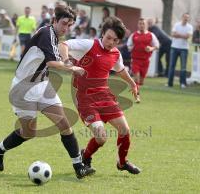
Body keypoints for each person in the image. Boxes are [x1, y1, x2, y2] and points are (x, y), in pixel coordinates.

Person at [0, 5, 95, 179]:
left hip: (42, 86)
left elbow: (59, 54)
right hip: (23, 90)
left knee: (64, 124)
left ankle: (79, 166)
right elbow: (53, 64)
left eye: (69, 25)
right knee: (29, 132)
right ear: (54, 20)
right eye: (64, 23)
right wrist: (73, 68)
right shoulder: (47, 34)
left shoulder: (53, 35)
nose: (66, 28)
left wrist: (67, 60)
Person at [59, 16, 141, 174]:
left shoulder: (116, 53)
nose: (111, 42)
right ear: (102, 33)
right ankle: (86, 157)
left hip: (104, 96)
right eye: (108, 38)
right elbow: (64, 44)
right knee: (101, 137)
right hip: (84, 98)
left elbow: (121, 69)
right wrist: (67, 62)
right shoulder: (88, 44)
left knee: (124, 130)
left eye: (115, 40)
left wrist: (132, 83)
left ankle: (122, 163)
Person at [127, 18, 159, 102]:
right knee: (136, 79)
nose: (141, 25)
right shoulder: (133, 35)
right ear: (138, 25)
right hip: (135, 60)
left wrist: (151, 48)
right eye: (140, 23)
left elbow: (157, 45)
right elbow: (128, 45)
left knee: (141, 81)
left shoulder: (151, 35)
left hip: (146, 61)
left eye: (143, 24)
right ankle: (137, 97)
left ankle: (136, 87)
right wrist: (131, 47)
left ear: (146, 25)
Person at [167, 13, 193, 88]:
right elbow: (173, 34)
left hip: (184, 49)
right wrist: (183, 35)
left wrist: (178, 35)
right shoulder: (176, 25)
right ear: (182, 17)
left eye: (187, 18)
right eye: (185, 17)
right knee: (172, 66)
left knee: (183, 67)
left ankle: (182, 83)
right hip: (174, 47)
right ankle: (169, 83)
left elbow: (187, 36)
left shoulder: (190, 27)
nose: (186, 19)